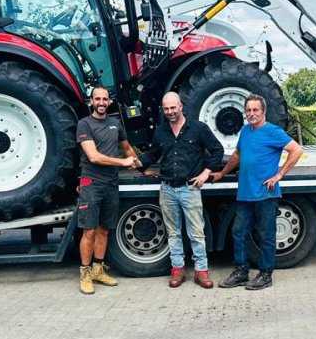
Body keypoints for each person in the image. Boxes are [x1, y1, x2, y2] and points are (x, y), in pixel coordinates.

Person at [212, 94, 303, 290]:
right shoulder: (245, 131)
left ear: (263, 112)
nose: (251, 113)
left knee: (266, 236)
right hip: (245, 193)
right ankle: (241, 272)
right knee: (239, 232)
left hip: (265, 194)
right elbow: (237, 155)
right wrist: (222, 173)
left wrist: (279, 175)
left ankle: (266, 274)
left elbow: (296, 150)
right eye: (248, 110)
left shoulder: (273, 131)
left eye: (255, 110)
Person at [137, 92, 224, 289]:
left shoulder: (198, 129)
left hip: (190, 188)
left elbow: (217, 150)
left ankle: (201, 271)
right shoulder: (161, 132)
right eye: (166, 109)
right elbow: (153, 154)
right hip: (167, 189)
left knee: (196, 233)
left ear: (180, 106)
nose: (170, 112)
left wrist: (206, 173)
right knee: (173, 233)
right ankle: (177, 270)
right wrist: (140, 165)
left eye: (173, 108)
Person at [76, 86, 138, 295]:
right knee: (89, 230)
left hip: (111, 184)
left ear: (109, 101)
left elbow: (127, 148)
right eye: (98, 99)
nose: (101, 103)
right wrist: (122, 162)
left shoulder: (115, 123)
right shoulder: (84, 124)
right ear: (91, 101)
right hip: (91, 183)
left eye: (105, 99)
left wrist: (139, 165)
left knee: (104, 229)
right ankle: (85, 274)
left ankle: (98, 270)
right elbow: (93, 156)